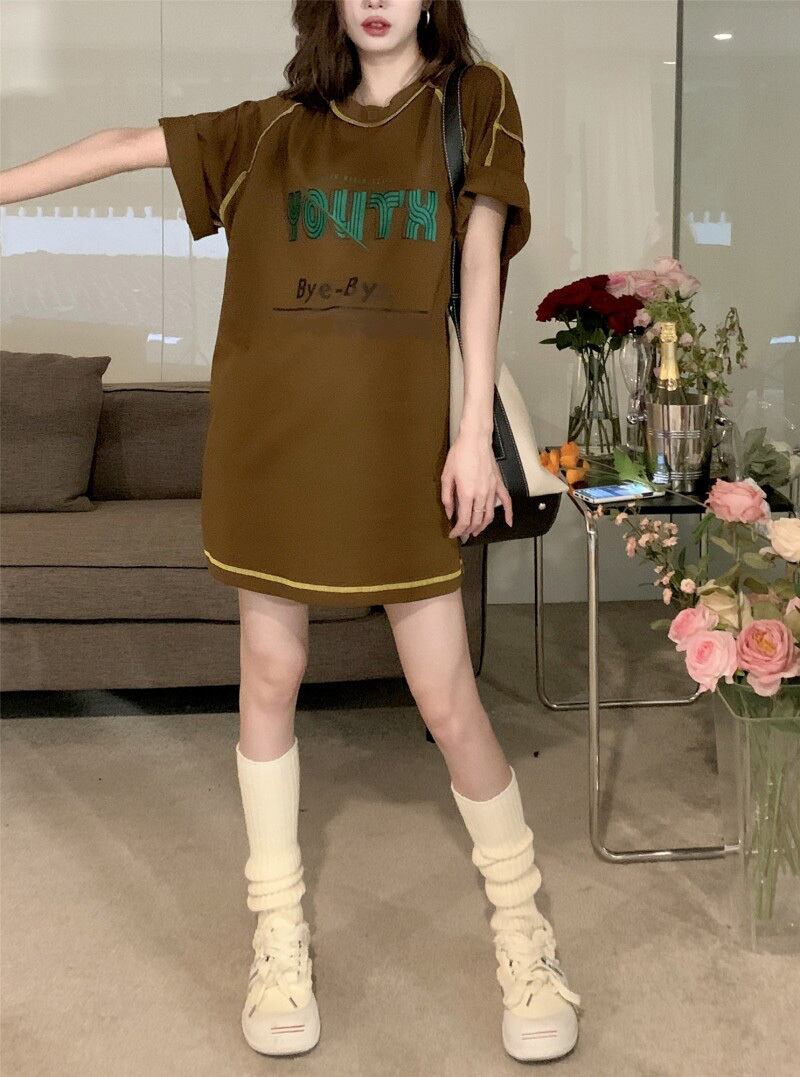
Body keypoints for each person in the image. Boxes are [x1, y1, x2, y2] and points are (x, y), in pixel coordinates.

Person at [0, 0, 582, 1064]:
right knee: (268, 678)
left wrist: (468, 433)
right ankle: (277, 934)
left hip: (401, 453)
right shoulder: (270, 128)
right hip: (271, 451)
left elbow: (480, 262)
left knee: (448, 701)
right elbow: (121, 145)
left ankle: (522, 928)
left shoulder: (472, 102)